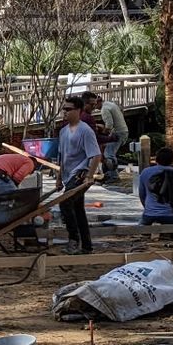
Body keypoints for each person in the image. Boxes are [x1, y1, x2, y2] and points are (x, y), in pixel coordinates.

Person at [54, 97, 101, 254]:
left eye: (69, 109)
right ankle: (87, 246)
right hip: (68, 175)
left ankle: (73, 240)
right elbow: (62, 157)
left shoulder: (85, 131)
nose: (65, 112)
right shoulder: (63, 131)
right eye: (64, 109)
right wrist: (59, 178)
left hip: (80, 174)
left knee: (65, 203)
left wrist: (89, 176)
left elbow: (95, 155)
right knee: (78, 209)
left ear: (78, 111)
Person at [137, 145, 173, 225]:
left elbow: (142, 194)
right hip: (171, 216)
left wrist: (149, 209)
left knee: (142, 226)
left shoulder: (145, 172)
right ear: (172, 160)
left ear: (156, 159)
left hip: (150, 215)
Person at [95, 94, 130, 179]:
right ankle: (109, 174)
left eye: (94, 105)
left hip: (118, 132)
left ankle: (113, 176)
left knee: (108, 154)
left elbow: (109, 125)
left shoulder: (104, 109)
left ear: (98, 103)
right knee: (109, 152)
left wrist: (102, 135)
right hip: (124, 130)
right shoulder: (110, 104)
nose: (94, 107)